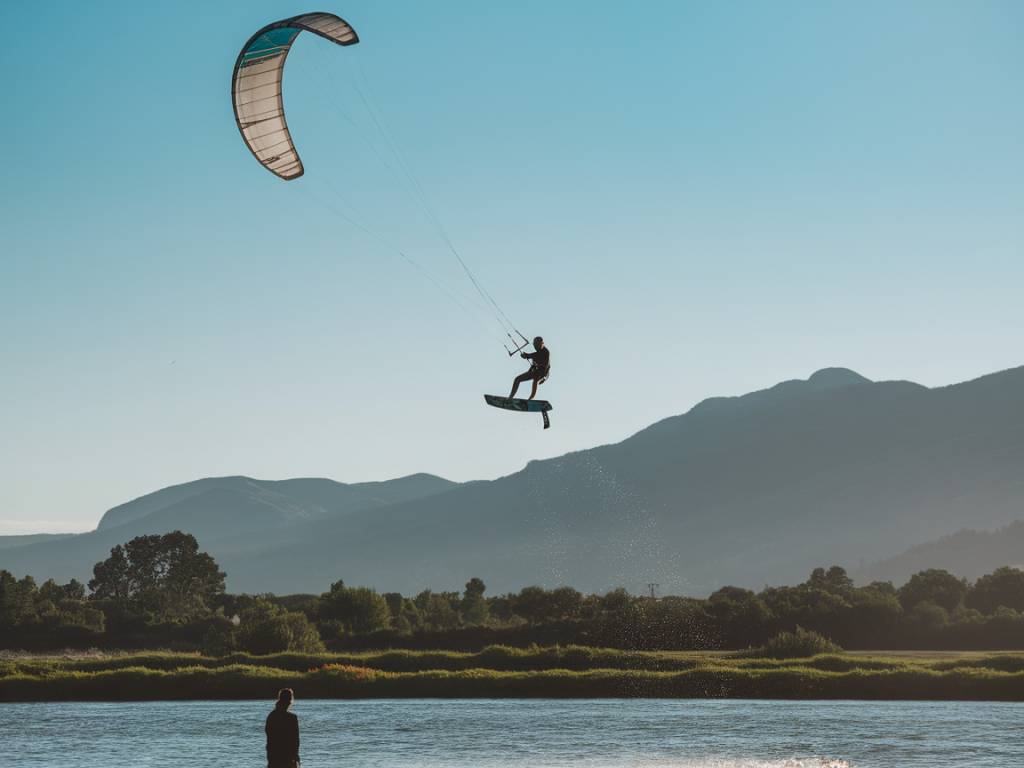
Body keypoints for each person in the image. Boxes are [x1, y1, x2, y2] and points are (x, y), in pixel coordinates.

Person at [266, 688, 300, 768]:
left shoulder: (271, 716)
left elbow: (269, 735)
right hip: (288, 757)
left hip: (273, 755)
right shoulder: (292, 718)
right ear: (291, 700)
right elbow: (295, 740)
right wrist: (296, 755)